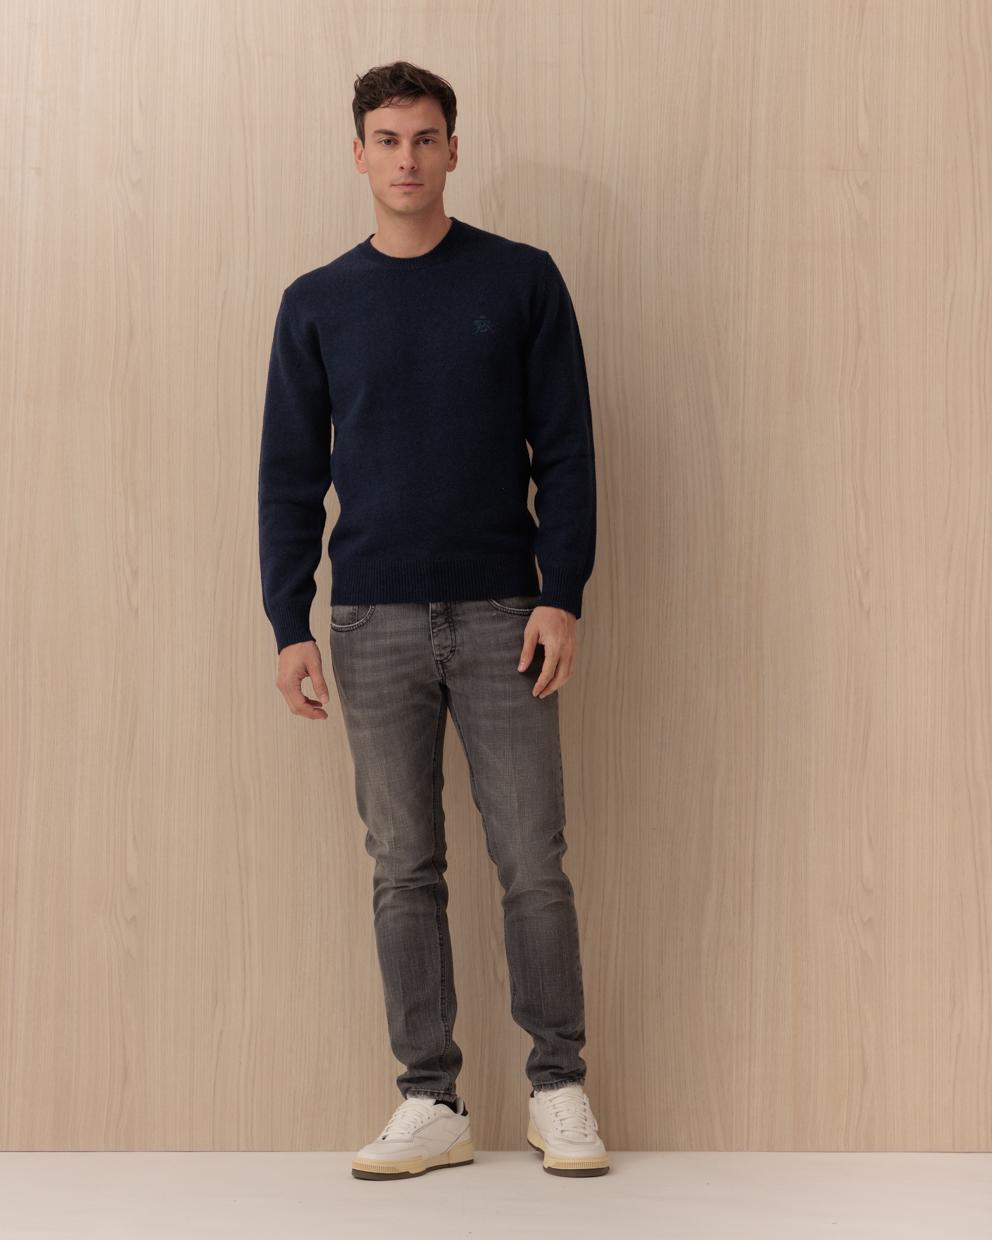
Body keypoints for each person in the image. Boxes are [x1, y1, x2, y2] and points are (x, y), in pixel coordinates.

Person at [257, 60, 608, 1180]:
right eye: (386, 138)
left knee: (532, 859)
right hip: (371, 620)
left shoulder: (521, 280)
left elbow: (566, 451)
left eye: (424, 138)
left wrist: (561, 592)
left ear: (454, 150)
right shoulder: (317, 302)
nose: (405, 158)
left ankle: (557, 1086)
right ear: (357, 153)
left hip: (506, 612)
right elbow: (288, 476)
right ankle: (431, 1099)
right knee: (402, 865)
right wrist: (288, 620)